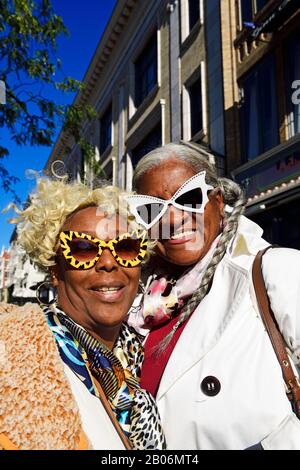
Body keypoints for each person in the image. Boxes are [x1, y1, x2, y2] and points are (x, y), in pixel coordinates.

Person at [127, 142, 300, 450]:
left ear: (218, 202)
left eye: (189, 198)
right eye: (152, 210)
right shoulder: (141, 304)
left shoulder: (275, 270)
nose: (172, 219)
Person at [0, 177, 166, 450]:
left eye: (125, 247)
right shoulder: (11, 360)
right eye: (84, 249)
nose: (109, 263)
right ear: (55, 270)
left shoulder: (138, 358)